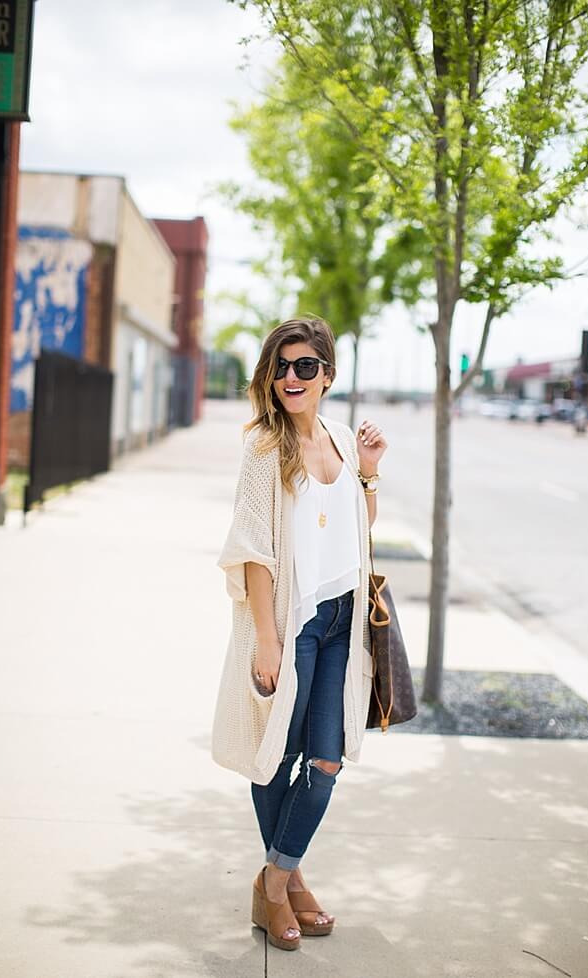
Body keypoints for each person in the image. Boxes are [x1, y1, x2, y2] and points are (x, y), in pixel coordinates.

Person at [212, 316, 387, 951]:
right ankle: (286, 887)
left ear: (328, 376)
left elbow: (358, 528)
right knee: (278, 755)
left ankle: (276, 881)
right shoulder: (263, 447)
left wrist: (367, 471)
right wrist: (267, 639)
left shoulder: (340, 437)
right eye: (281, 366)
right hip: (294, 624)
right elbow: (254, 551)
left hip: (342, 619)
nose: (291, 376)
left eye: (305, 366)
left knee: (327, 758)